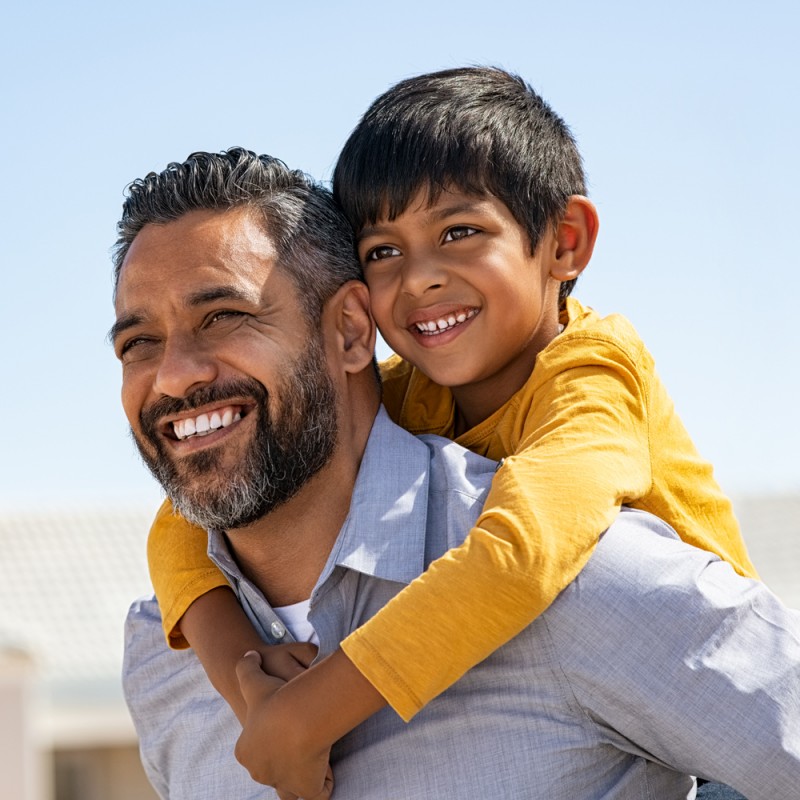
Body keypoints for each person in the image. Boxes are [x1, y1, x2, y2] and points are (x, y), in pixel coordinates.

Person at [117, 149, 799, 800]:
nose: (174, 375)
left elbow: (523, 555)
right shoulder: (160, 656)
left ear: (352, 333)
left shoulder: (587, 571)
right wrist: (238, 674)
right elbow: (182, 517)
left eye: (224, 316)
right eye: (138, 343)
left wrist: (310, 711)